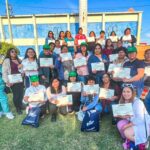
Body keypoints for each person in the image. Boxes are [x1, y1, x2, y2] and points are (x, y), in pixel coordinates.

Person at [117, 83, 150, 148]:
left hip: (143, 123)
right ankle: (128, 139)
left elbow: (140, 119)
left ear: (132, 92)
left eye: (128, 91)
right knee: (120, 124)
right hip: (133, 121)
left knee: (126, 132)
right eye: (124, 91)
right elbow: (129, 116)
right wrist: (123, 116)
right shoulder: (123, 101)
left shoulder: (138, 102)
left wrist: (127, 125)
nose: (125, 94)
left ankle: (144, 142)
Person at [2, 48, 24, 114]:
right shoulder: (7, 61)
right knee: (16, 95)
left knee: (21, 93)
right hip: (12, 81)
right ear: (9, 53)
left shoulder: (19, 60)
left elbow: (22, 68)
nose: (14, 53)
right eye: (12, 52)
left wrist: (23, 72)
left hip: (20, 80)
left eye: (15, 52)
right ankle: (17, 108)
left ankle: (20, 105)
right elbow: (4, 72)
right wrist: (7, 81)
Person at [143, 49, 150, 114]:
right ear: (144, 55)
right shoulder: (140, 62)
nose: (148, 55)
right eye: (147, 53)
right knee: (145, 101)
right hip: (143, 86)